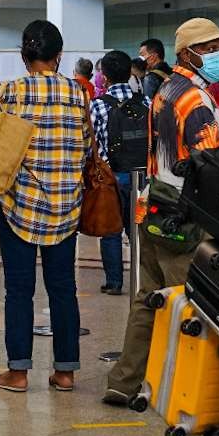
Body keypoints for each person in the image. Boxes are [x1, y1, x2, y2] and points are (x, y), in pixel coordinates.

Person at [103, 17, 219, 406]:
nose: (217, 56)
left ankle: (123, 381)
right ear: (188, 54)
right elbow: (211, 162)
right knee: (190, 303)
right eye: (209, 49)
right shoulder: (194, 98)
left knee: (149, 298)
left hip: (154, 206)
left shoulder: (163, 90)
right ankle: (180, 389)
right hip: (187, 215)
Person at [0, 20, 90, 394]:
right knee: (63, 287)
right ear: (59, 56)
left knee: (19, 290)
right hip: (66, 205)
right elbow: (87, 144)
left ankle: (18, 373)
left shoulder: (11, 91)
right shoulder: (78, 93)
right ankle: (65, 372)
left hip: (19, 203)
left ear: (24, 55)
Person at [90, 50, 147, 296]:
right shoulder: (145, 102)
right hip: (141, 177)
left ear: (104, 77)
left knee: (111, 230)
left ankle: (114, 282)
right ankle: (141, 278)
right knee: (137, 230)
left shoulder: (98, 105)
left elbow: (89, 142)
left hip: (111, 175)